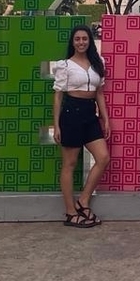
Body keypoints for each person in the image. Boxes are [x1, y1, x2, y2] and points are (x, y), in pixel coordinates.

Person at [52, 24, 111, 228]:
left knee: (103, 157)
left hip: (90, 114)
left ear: (90, 40)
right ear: (72, 41)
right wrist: (57, 125)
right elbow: (58, 95)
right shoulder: (65, 65)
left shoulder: (97, 63)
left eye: (84, 38)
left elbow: (100, 93)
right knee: (69, 163)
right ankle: (70, 212)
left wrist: (105, 118)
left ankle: (83, 200)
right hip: (71, 113)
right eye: (77, 39)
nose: (81, 42)